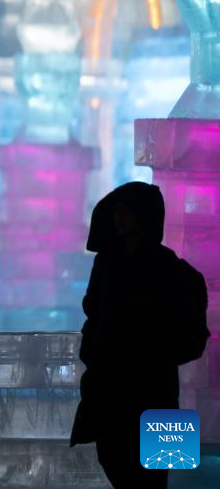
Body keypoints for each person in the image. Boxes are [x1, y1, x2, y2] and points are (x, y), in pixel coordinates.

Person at [70, 182, 209, 489]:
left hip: (155, 390)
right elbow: (94, 316)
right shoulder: (106, 264)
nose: (119, 218)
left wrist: (149, 354)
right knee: (116, 461)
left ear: (144, 216)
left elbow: (191, 338)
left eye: (127, 212)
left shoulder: (172, 270)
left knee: (158, 474)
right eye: (117, 212)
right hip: (118, 391)